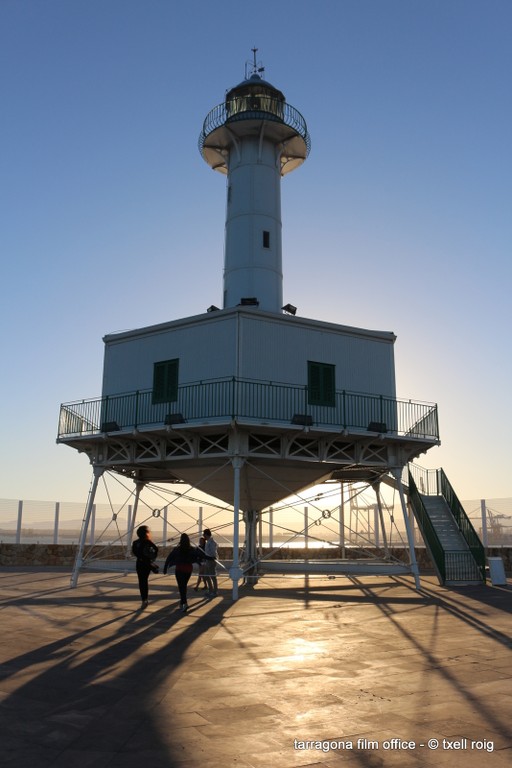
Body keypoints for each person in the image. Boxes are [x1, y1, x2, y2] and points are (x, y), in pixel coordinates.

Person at [163, 533, 202, 612]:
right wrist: (209, 558)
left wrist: (165, 568)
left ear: (181, 540)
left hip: (180, 569)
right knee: (183, 586)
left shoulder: (177, 549)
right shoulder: (191, 549)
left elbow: (169, 557)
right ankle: (182, 603)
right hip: (188, 569)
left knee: (182, 587)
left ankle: (185, 603)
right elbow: (199, 555)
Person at [131, 525, 159, 609]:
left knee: (141, 582)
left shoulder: (135, 543)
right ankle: (145, 599)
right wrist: (151, 557)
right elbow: (156, 549)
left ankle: (144, 599)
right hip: (147, 564)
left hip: (139, 563)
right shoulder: (147, 541)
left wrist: (141, 557)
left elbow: (135, 552)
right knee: (145, 581)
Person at [203, 528, 218, 597]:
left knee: (213, 576)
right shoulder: (208, 542)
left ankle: (215, 591)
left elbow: (213, 552)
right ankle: (210, 590)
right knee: (206, 576)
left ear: (206, 534)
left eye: (204, 534)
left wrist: (210, 557)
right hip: (207, 560)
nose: (203, 536)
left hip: (211, 561)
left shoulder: (212, 542)